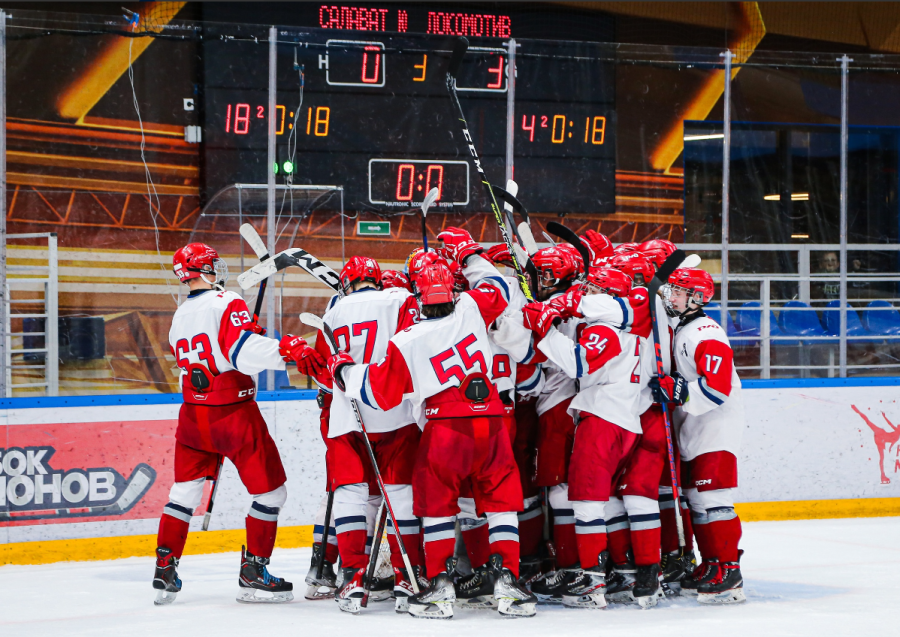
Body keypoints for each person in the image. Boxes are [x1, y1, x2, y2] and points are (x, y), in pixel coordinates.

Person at [333, 232, 537, 619]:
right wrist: (469, 253)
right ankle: (509, 583)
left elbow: (380, 394)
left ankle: (440, 587)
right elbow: (495, 284)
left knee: (438, 507)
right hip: (492, 423)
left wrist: (344, 368)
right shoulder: (472, 310)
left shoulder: (408, 338)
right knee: (500, 504)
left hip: (446, 430)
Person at [154, 242, 321, 605]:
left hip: (193, 418)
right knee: (271, 493)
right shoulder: (226, 301)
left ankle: (165, 569)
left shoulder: (180, 314)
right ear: (204, 269)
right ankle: (254, 572)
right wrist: (283, 350)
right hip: (232, 414)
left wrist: (249, 336)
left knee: (182, 494)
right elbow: (241, 352)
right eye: (213, 264)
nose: (219, 269)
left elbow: (211, 351)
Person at [315, 255, 424, 614]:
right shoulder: (401, 299)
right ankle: (407, 576)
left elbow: (322, 371)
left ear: (346, 281)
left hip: (349, 416)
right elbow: (417, 346)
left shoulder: (332, 312)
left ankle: (352, 577)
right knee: (399, 492)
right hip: (397, 410)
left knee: (350, 492)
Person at [657, 267, 746, 604]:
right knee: (697, 500)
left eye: (679, 292)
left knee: (713, 500)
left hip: (716, 427)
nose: (672, 297)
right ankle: (712, 564)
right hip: (695, 427)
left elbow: (718, 388)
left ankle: (729, 569)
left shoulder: (705, 332)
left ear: (696, 298)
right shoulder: (684, 328)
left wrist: (678, 392)